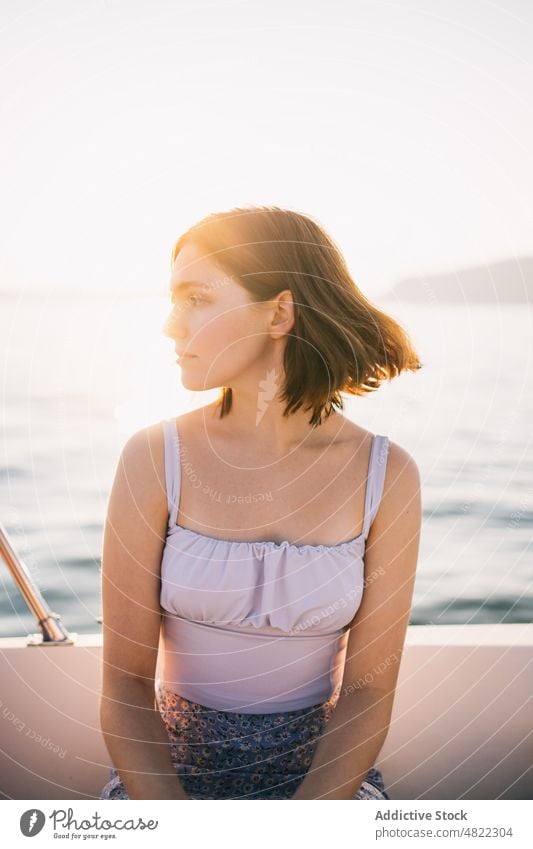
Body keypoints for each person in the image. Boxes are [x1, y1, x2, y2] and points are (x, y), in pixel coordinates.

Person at [99, 205, 422, 800]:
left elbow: (369, 694)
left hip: (326, 790)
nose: (171, 326)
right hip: (165, 786)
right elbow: (124, 691)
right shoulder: (153, 458)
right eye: (174, 300)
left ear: (279, 312)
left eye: (197, 298)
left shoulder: (388, 474)